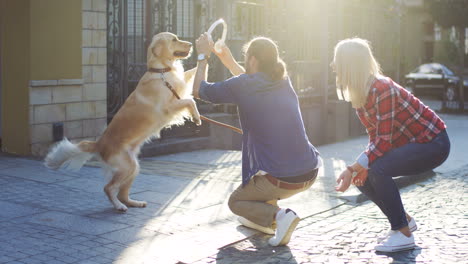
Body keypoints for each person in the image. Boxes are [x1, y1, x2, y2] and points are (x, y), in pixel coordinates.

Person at [192, 33, 321, 246]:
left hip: (284, 179)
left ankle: (281, 216)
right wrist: (228, 60)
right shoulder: (282, 79)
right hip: (311, 170)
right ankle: (273, 221)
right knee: (256, 194)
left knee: (236, 202)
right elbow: (248, 83)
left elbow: (199, 89)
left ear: (253, 60)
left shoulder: (245, 85)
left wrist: (202, 56)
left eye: (247, 59)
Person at [333, 38, 450, 252]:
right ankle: (404, 222)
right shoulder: (360, 96)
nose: (333, 66)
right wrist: (357, 170)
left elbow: (383, 143)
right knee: (363, 177)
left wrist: (352, 167)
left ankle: (404, 234)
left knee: (377, 169)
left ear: (349, 65)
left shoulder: (381, 87)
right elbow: (375, 139)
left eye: (337, 61)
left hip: (434, 143)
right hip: (413, 146)